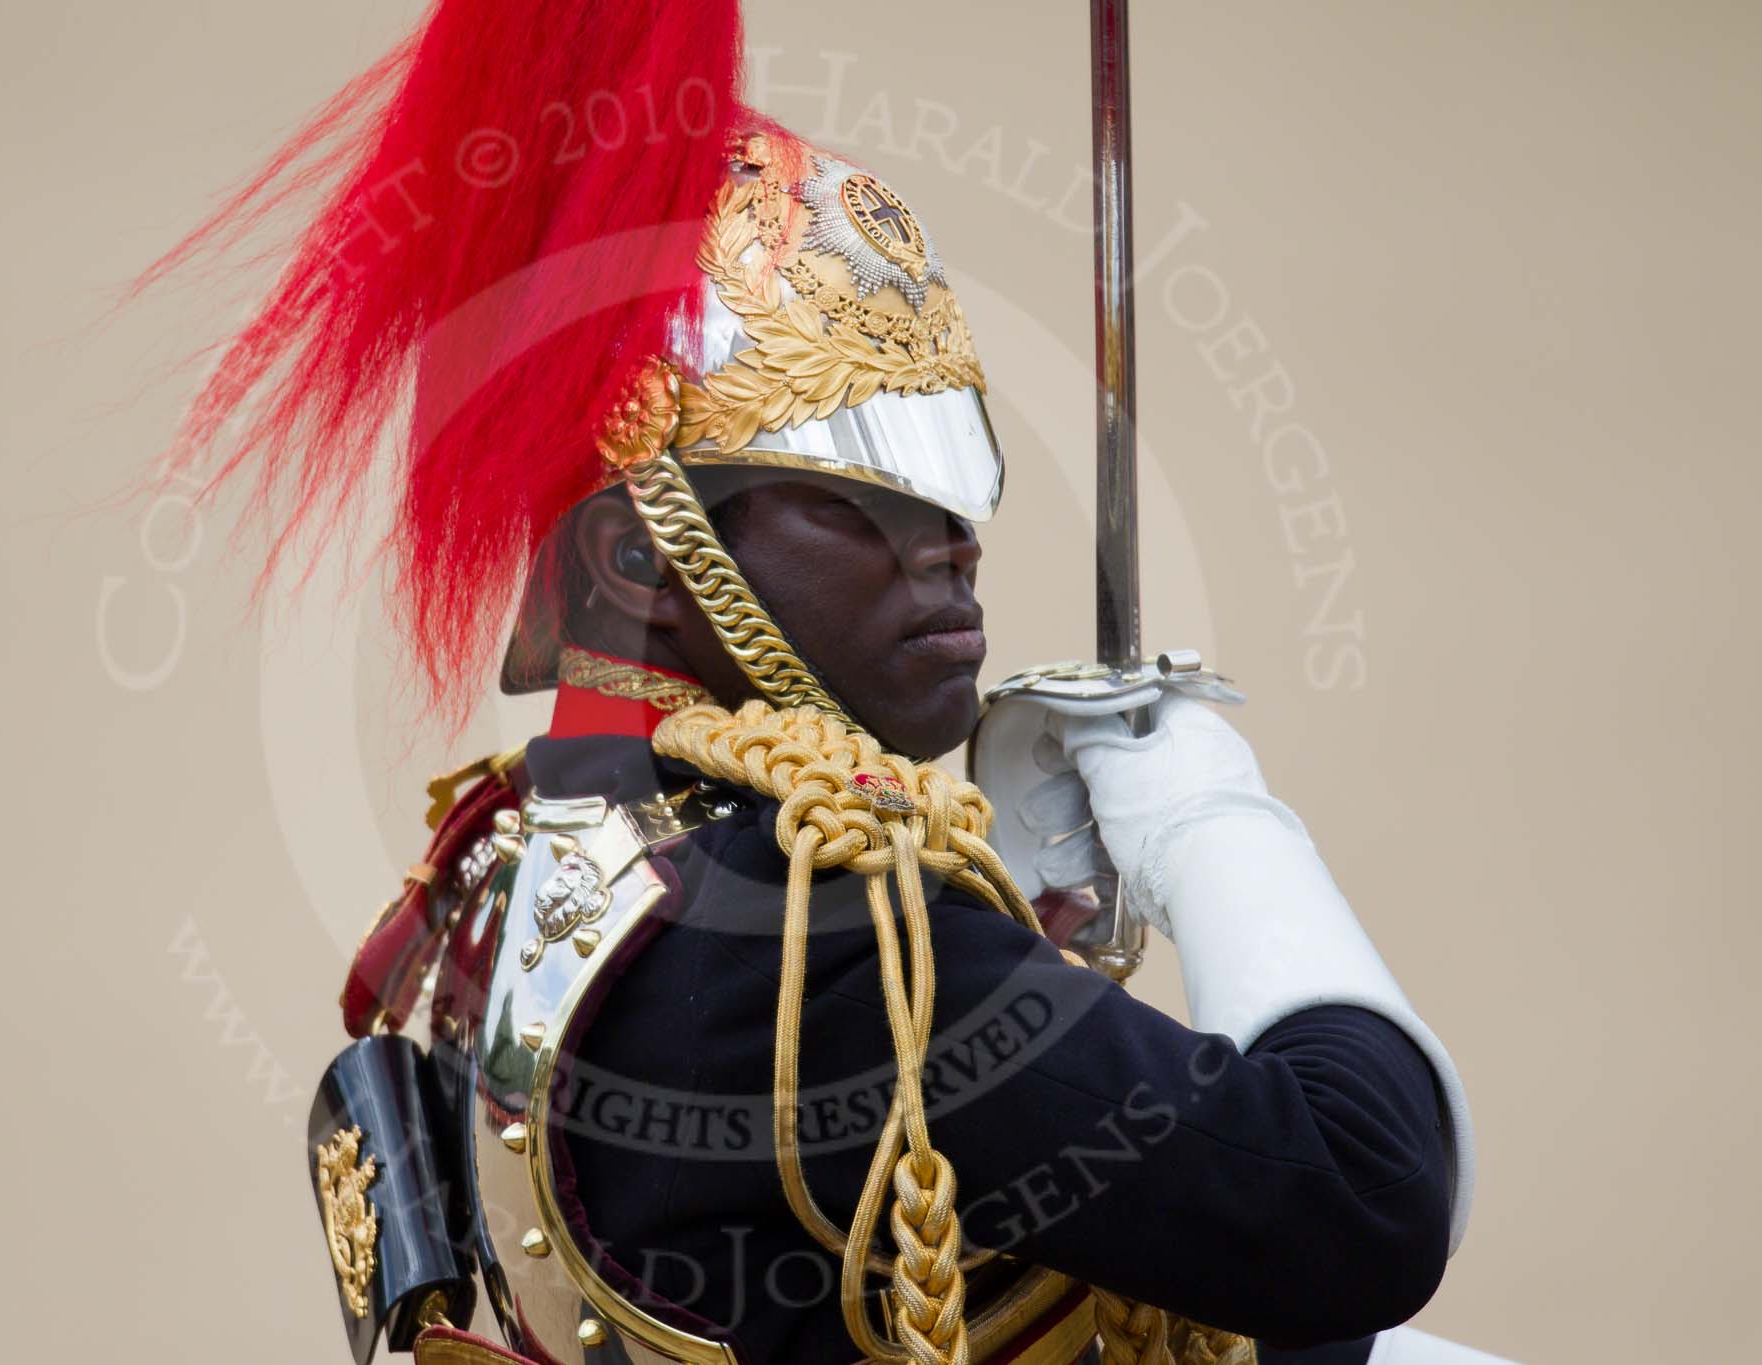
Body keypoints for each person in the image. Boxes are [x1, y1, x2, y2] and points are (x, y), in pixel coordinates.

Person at [139, 2, 1473, 1361]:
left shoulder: (502, 850)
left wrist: (1026, 966)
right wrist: (1202, 811)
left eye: (947, 490)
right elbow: (1360, 1193)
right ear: (632, 561)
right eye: (852, 504)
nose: (949, 552)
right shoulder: (834, 935)